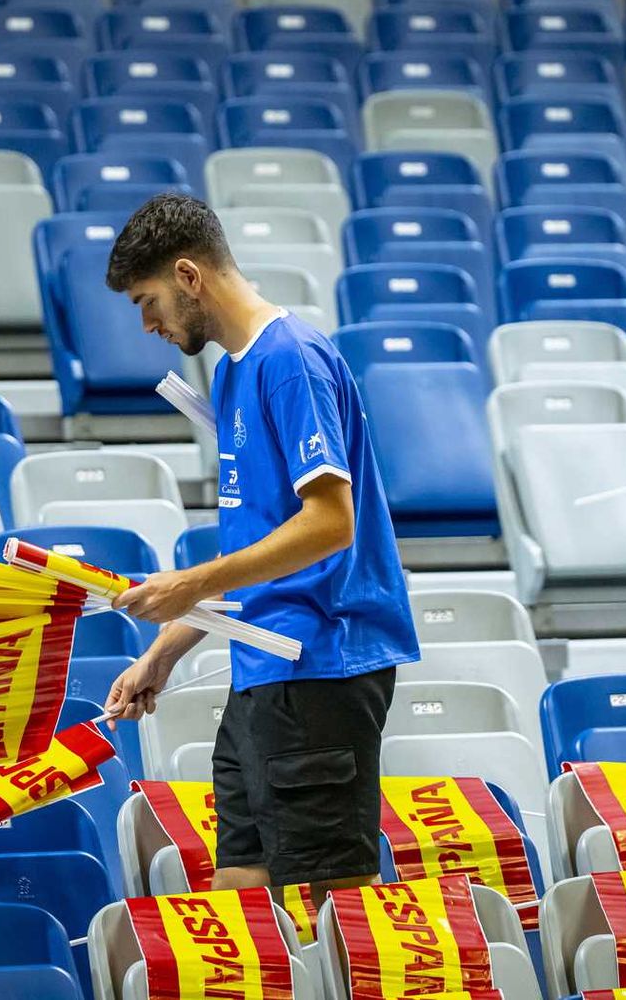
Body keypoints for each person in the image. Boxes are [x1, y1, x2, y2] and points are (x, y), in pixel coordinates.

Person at [100, 193, 420, 904]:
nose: (148, 324)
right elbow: (262, 547)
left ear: (188, 275)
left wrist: (189, 582)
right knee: (240, 886)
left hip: (318, 663)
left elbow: (331, 524)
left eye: (147, 301)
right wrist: (167, 650)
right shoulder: (239, 368)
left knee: (334, 902)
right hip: (266, 664)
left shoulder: (289, 359)